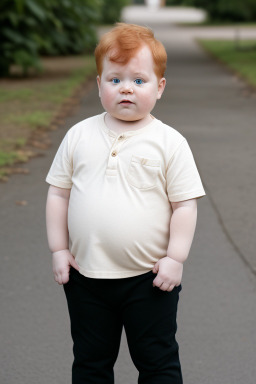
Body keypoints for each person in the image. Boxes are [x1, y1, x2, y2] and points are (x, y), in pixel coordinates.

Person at [46, 23, 205, 384]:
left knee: (157, 360)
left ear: (159, 87)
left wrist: (175, 258)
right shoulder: (79, 136)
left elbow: (184, 206)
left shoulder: (169, 142)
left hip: (150, 279)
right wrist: (58, 249)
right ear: (98, 83)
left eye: (139, 80)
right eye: (115, 80)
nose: (126, 89)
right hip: (86, 276)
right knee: (90, 361)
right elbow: (59, 194)